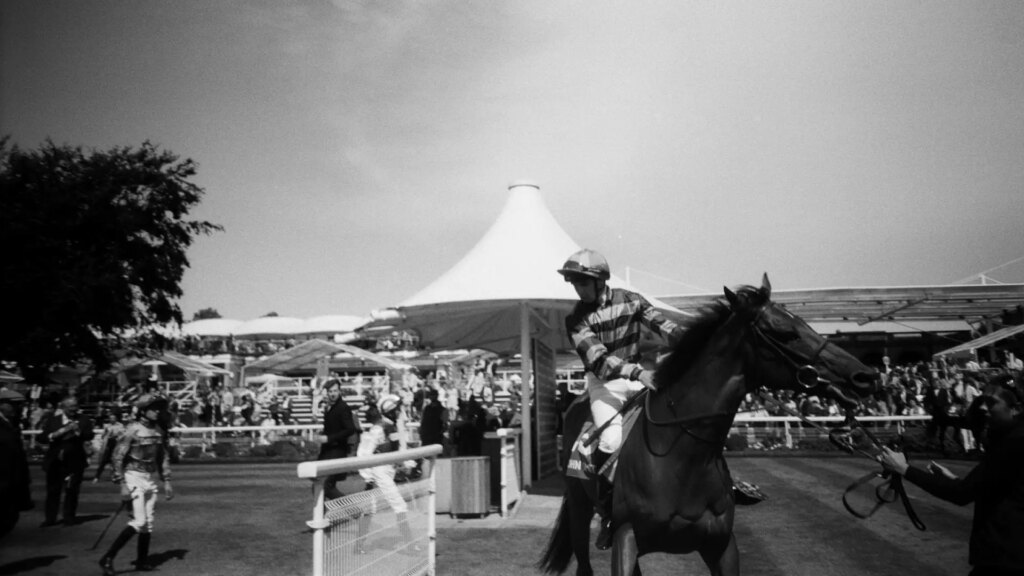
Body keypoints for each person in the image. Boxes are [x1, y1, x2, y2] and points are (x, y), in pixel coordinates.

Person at [557, 248, 685, 550]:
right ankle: (608, 510)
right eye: (574, 282)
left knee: (682, 419)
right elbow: (598, 360)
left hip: (640, 375)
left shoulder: (631, 299)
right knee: (611, 442)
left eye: (583, 282)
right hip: (606, 385)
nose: (578, 288)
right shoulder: (575, 320)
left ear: (601, 281)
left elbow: (661, 324)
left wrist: (684, 337)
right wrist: (638, 373)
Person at [879, 374, 1024, 576]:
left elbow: (961, 495)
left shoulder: (1013, 443)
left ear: (1016, 409)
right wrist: (954, 479)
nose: (982, 408)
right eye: (982, 401)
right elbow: (994, 488)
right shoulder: (1011, 439)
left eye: (991, 402)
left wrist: (904, 469)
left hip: (1007, 558)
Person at [99, 394, 174, 576]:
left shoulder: (158, 431)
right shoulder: (131, 430)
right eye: (153, 408)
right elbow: (117, 457)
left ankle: (141, 561)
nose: (157, 412)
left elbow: (162, 457)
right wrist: (122, 484)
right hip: (133, 477)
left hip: (149, 478)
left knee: (148, 524)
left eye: (159, 408)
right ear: (143, 410)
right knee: (139, 521)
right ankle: (108, 558)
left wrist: (167, 481)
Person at [354, 396, 416, 554]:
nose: (400, 412)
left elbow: (395, 452)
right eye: (397, 409)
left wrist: (406, 463)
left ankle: (358, 546)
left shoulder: (391, 426)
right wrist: (369, 478)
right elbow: (363, 453)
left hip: (386, 471)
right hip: (379, 473)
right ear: (391, 411)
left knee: (369, 509)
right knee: (399, 505)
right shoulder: (378, 428)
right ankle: (411, 545)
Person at [39, 395, 94, 526]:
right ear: (63, 408)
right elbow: (42, 437)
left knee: (72, 491)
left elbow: (89, 435)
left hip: (75, 462)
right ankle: (50, 519)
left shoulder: (84, 419)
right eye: (71, 407)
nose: (74, 409)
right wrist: (54, 434)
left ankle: (69, 517)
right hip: (55, 462)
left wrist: (78, 431)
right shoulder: (53, 420)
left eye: (76, 406)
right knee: (53, 491)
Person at [317, 378, 360, 500]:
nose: (333, 393)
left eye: (335, 391)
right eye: (330, 391)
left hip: (336, 451)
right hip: (328, 451)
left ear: (339, 391)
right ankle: (326, 515)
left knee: (326, 486)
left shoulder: (343, 407)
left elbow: (350, 429)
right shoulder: (331, 407)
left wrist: (329, 438)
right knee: (321, 485)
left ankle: (354, 510)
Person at [0, 389, 33, 538]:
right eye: (13, 405)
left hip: (13, 481)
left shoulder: (12, 424)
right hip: (3, 480)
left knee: (10, 520)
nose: (17, 408)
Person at [93, 409, 127, 483]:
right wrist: (106, 434)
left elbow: (123, 435)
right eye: (110, 418)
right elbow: (102, 436)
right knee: (103, 462)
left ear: (116, 419)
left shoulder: (120, 426)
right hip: (108, 446)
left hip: (116, 446)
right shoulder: (107, 426)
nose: (111, 419)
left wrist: (116, 435)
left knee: (116, 463)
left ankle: (116, 477)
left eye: (113, 418)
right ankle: (97, 477)